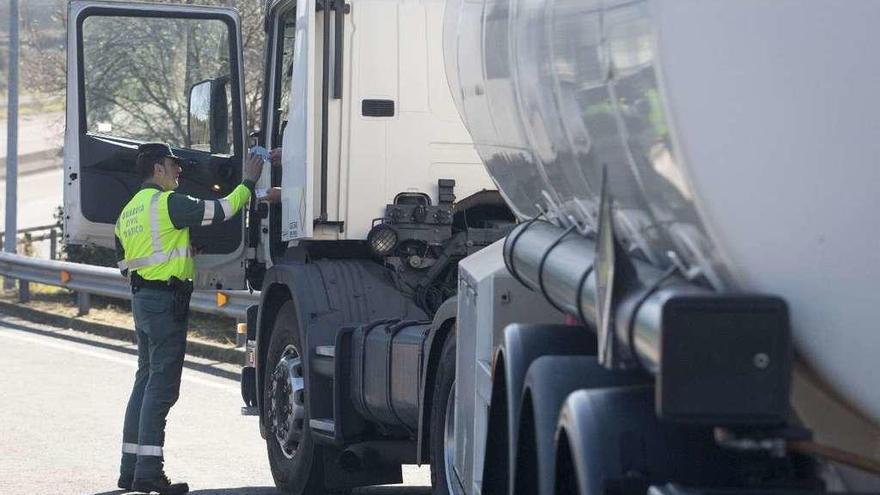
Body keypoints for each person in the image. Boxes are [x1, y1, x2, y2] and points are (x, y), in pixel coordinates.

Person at [114, 143, 263, 494]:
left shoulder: (128, 213)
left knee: (145, 382)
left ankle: (130, 469)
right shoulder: (167, 203)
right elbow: (222, 210)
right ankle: (149, 472)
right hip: (166, 304)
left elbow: (126, 264)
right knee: (161, 388)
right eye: (172, 164)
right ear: (158, 169)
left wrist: (179, 252)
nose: (178, 171)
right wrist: (249, 182)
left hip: (143, 301)